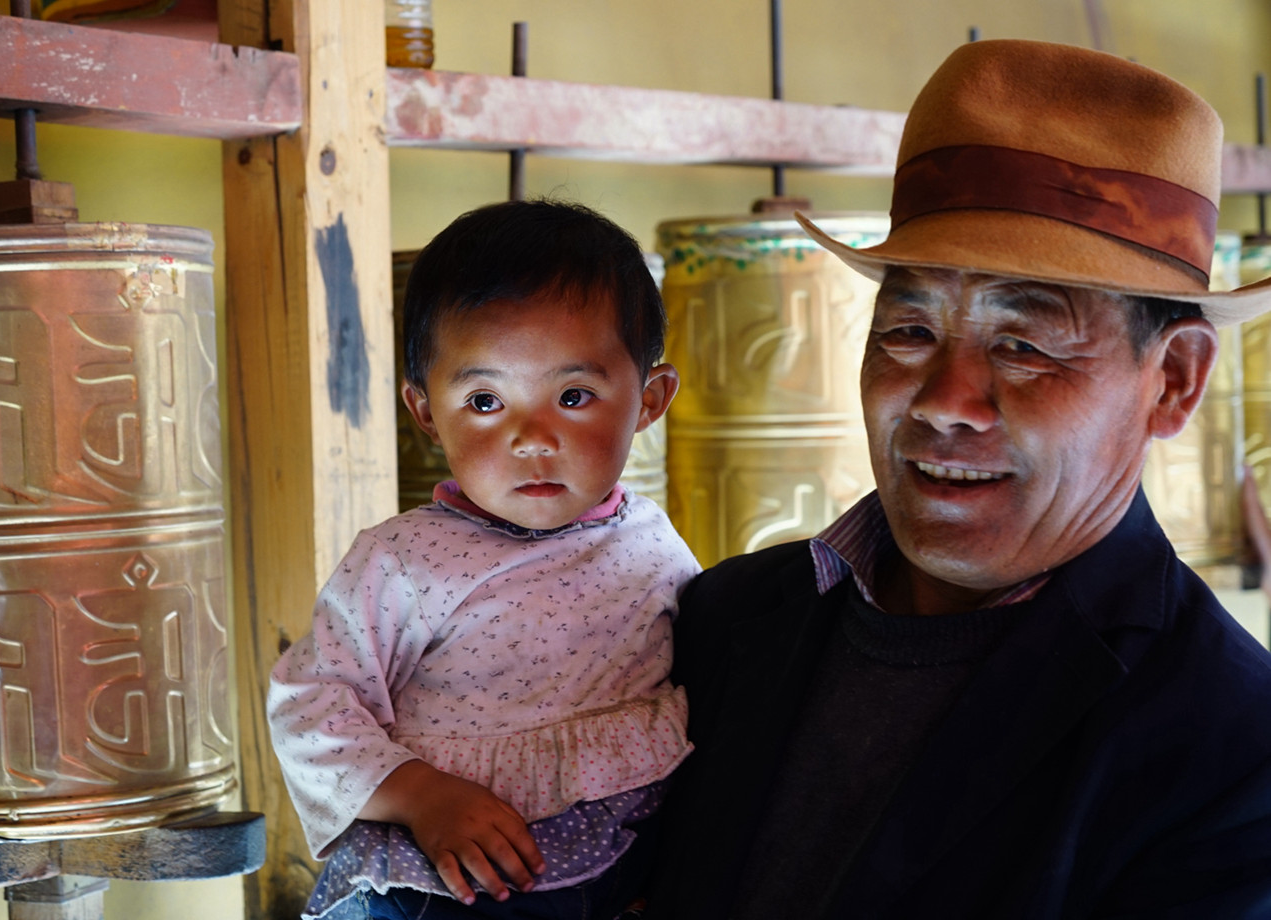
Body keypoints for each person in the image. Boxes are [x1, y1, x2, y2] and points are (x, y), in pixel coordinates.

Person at [644, 38, 1271, 919]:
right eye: (908, 331)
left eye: (1024, 345)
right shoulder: (721, 622)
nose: (944, 402)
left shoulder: (1230, 755)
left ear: (1173, 381)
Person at [268, 199, 701, 920]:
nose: (533, 438)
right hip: (453, 878)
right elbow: (311, 708)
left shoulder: (652, 545)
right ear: (426, 412)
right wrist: (422, 796)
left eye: (573, 395)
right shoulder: (402, 562)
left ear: (649, 400)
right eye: (484, 400)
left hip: (622, 865)